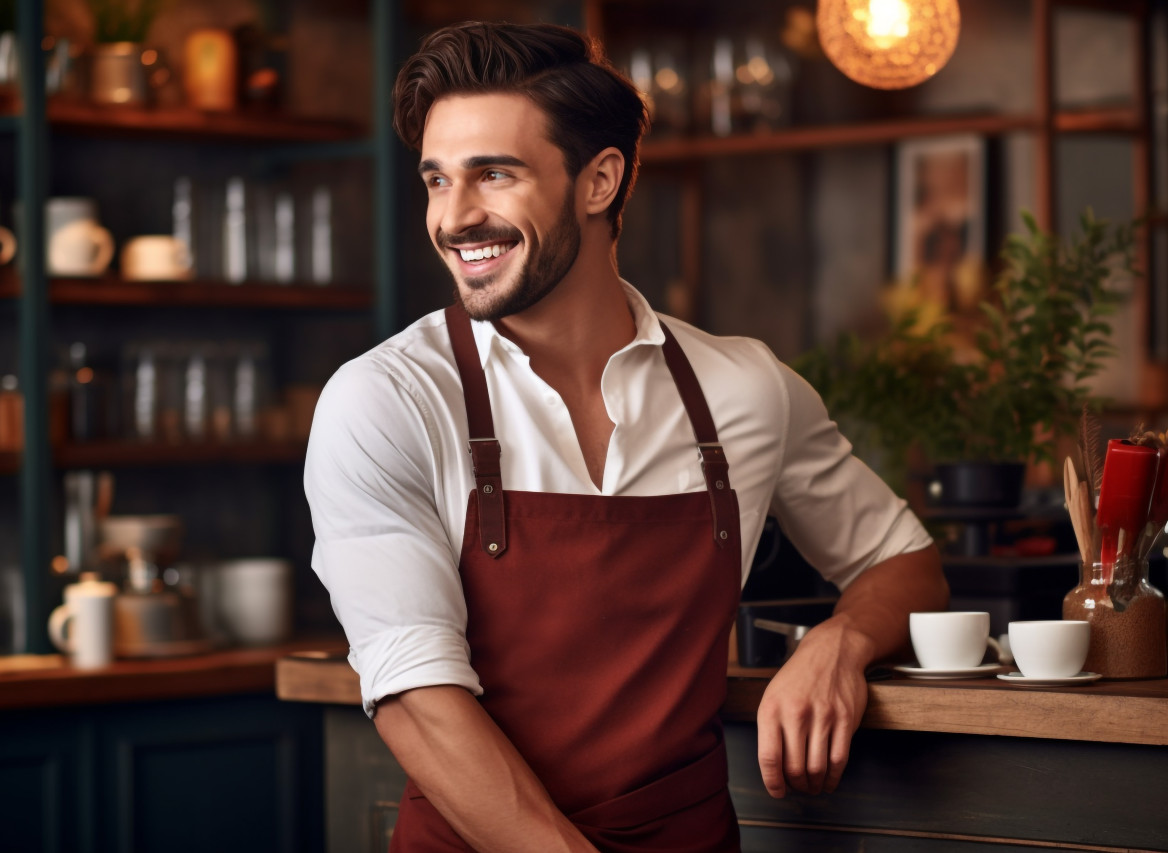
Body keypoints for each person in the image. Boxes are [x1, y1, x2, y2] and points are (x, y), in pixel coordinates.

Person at [305, 21, 949, 853]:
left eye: (493, 175)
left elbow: (904, 563)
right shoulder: (385, 399)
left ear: (600, 179)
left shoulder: (743, 388)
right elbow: (417, 700)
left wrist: (840, 642)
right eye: (437, 181)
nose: (455, 217)